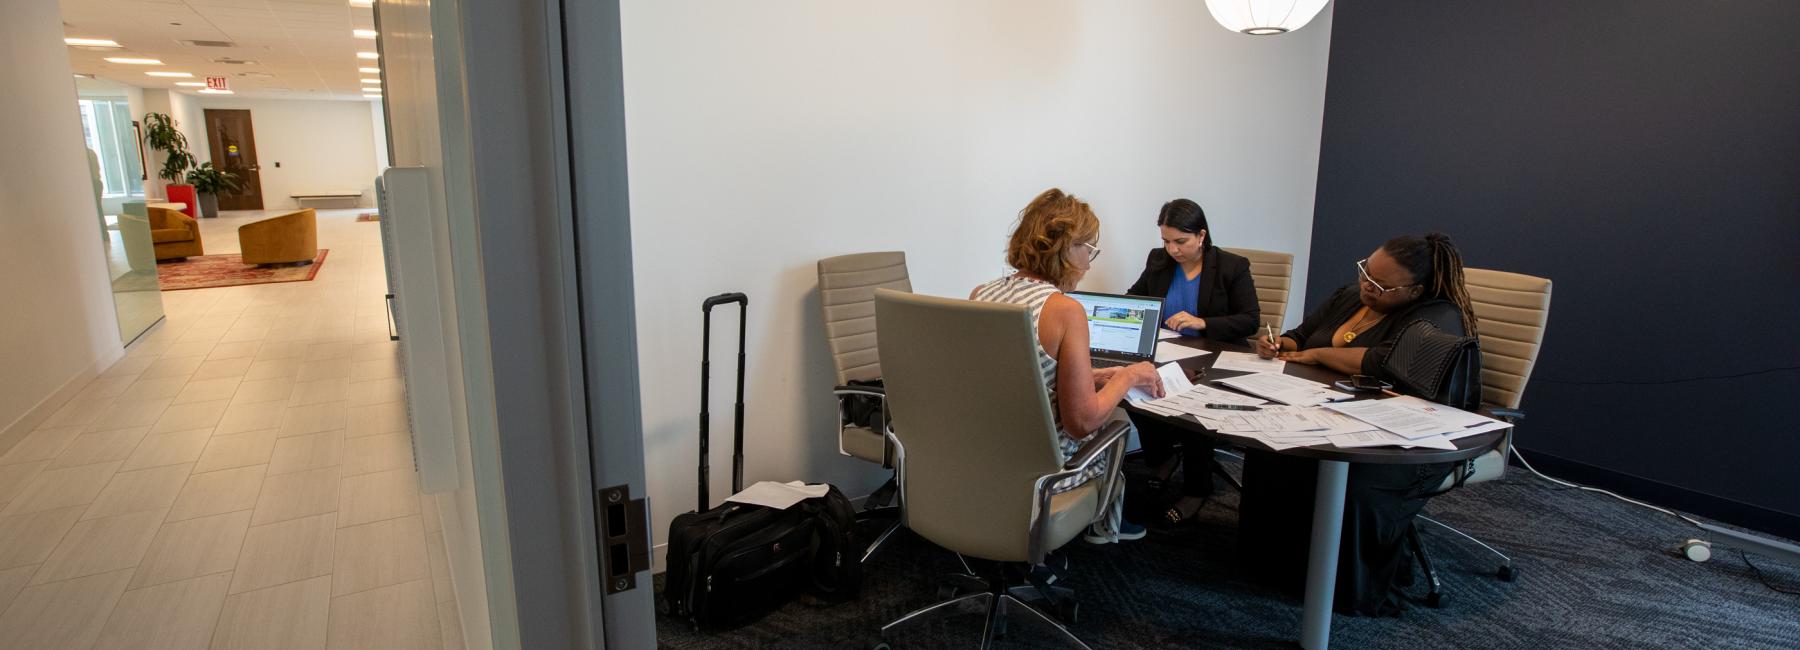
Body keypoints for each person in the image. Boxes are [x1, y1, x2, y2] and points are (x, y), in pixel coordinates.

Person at [1240, 233, 1478, 616]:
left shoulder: (1437, 316)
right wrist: (1280, 343)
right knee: (1272, 450)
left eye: (1381, 285)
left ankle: (1346, 591)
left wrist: (1314, 353)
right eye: (1365, 271)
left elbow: (1381, 360)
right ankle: (1276, 569)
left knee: (1352, 481)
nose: (1367, 285)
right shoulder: (1349, 296)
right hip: (1332, 410)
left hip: (1408, 439)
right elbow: (1301, 334)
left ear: (1415, 290)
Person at [970, 188, 1162, 544]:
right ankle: (1105, 524)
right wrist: (1127, 376)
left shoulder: (983, 294)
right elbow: (1081, 423)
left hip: (987, 455)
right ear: (1064, 249)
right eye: (1087, 249)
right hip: (1046, 474)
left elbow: (1019, 378)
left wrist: (1090, 375)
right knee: (1117, 419)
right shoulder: (1064, 310)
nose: (1089, 263)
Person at [1124, 199, 1262, 527]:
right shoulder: (1158, 261)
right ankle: (1164, 457)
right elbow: (1135, 297)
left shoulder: (1232, 266)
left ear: (1201, 235)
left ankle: (1197, 489)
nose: (1172, 249)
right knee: (1130, 389)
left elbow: (1250, 320)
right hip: (1171, 353)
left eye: (1180, 242)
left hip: (1219, 356)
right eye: (1166, 241)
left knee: (1193, 407)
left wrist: (1203, 323)